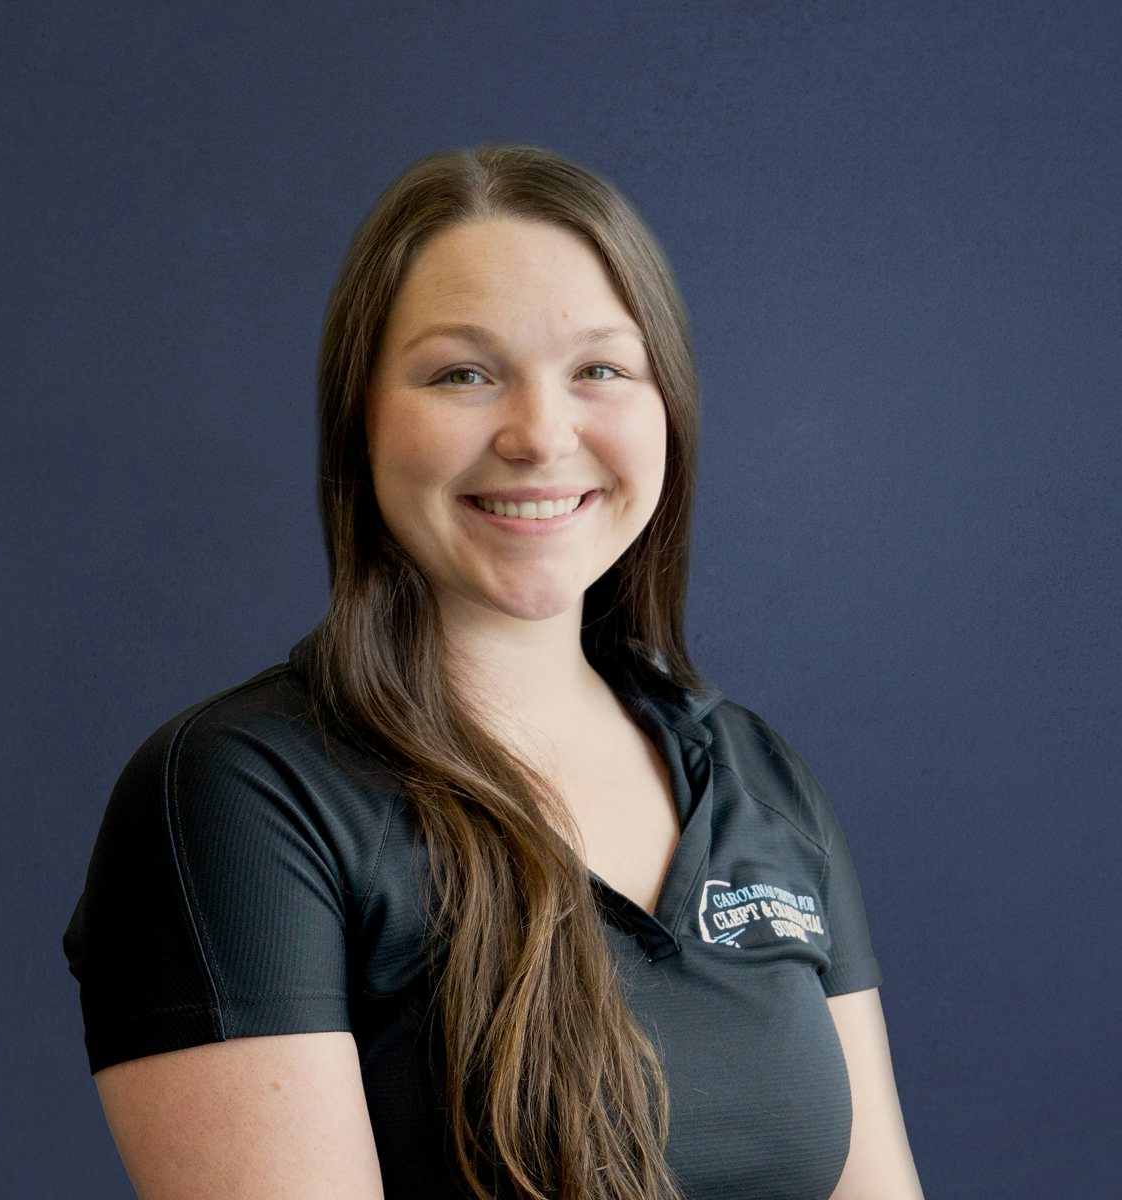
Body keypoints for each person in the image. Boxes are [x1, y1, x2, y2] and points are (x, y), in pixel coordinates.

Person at [64, 143, 924, 1200]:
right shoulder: (245, 794)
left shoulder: (756, 779)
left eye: (600, 370)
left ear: (668, 405)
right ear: (361, 418)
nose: (540, 435)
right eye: (463, 374)